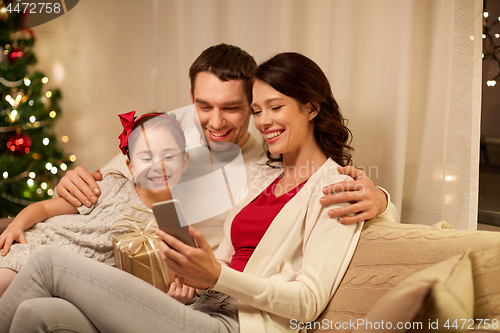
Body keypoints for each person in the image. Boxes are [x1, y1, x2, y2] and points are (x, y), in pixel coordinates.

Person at [1, 52, 364, 333]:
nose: (264, 120)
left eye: (273, 108)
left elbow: (308, 299)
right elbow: (119, 180)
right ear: (192, 100)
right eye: (258, 110)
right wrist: (193, 280)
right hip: (195, 303)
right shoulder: (264, 177)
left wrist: (381, 199)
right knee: (40, 312)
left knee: (47, 263)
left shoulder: (336, 188)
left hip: (236, 322)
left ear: (312, 108)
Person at [53, 44, 397, 251]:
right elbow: (109, 182)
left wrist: (381, 199)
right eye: (204, 107)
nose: (216, 123)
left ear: (253, 104)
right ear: (191, 101)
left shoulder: (272, 158)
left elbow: (321, 183)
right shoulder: (165, 136)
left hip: (194, 285)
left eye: (231, 108)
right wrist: (71, 183)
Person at [0, 112, 190, 296]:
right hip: (36, 248)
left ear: (184, 161)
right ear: (131, 166)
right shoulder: (110, 186)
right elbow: (44, 208)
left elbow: (172, 282)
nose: (157, 165)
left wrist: (179, 296)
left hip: (69, 284)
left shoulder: (173, 224)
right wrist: (16, 226)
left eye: (168, 156)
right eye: (147, 158)